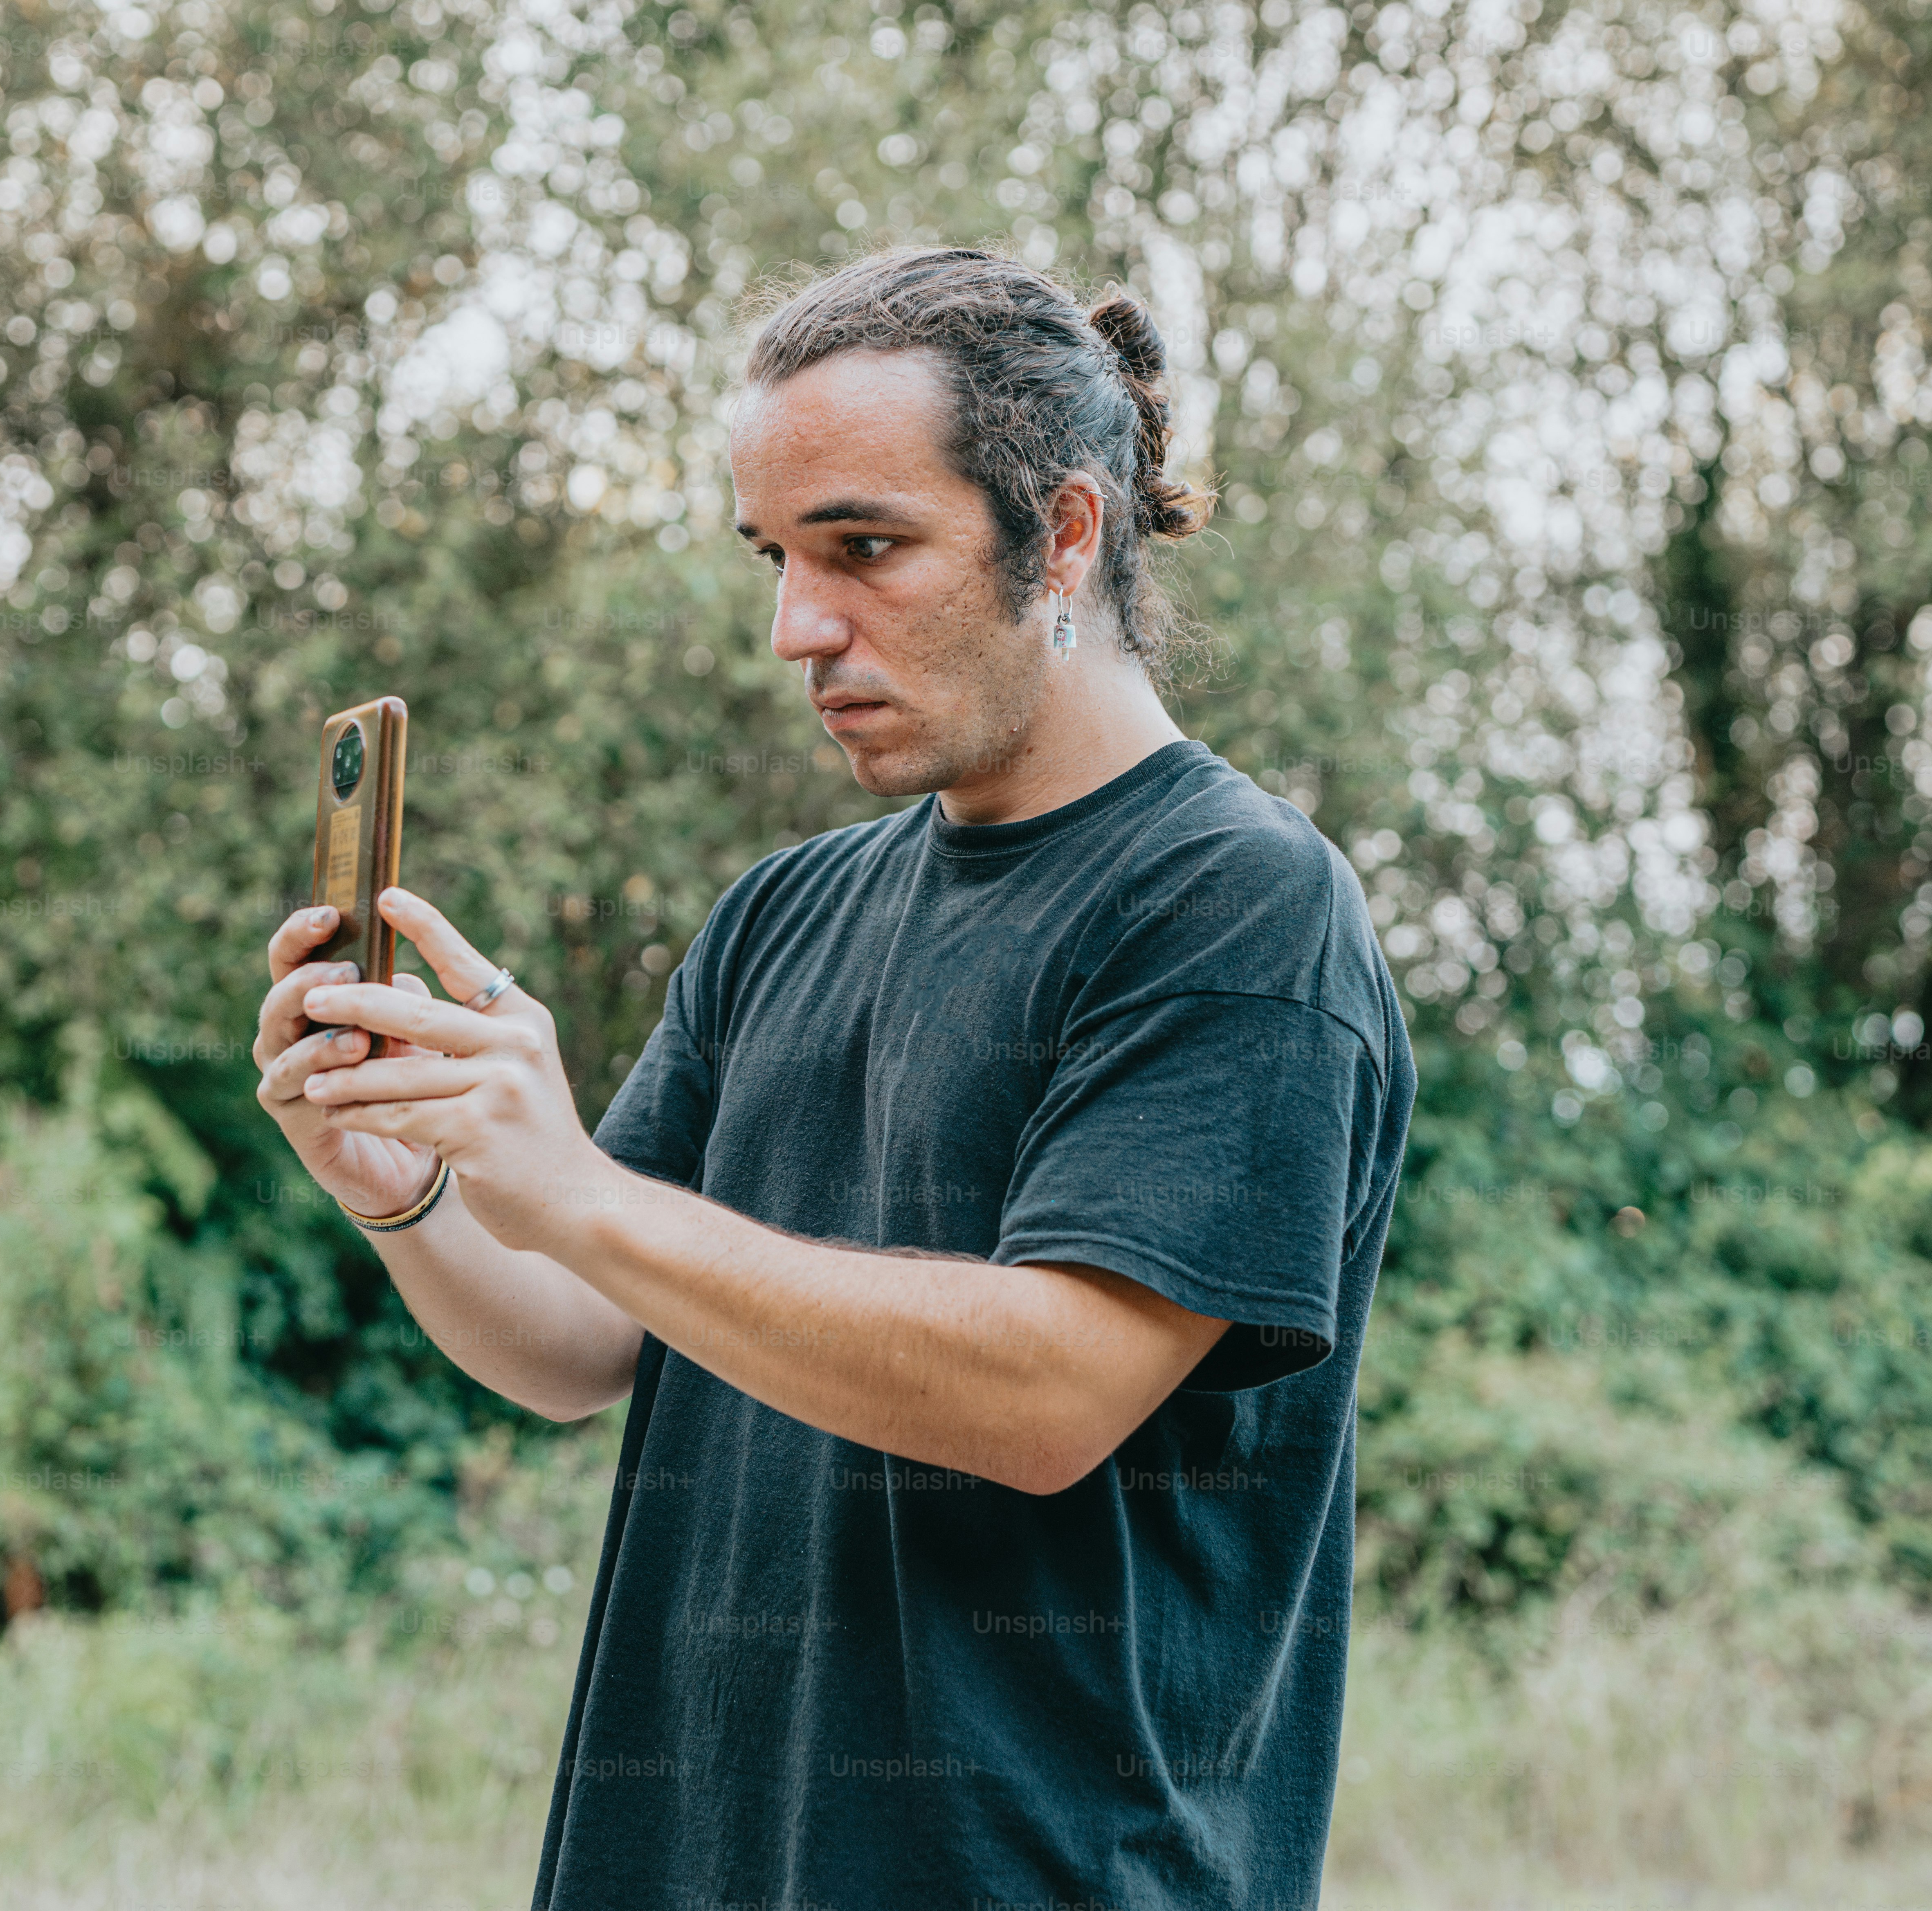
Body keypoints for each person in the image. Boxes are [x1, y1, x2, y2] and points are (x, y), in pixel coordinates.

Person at [252, 245, 1415, 1911]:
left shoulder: (1234, 903)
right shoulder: (783, 912)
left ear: (1063, 534)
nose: (798, 627)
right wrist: (416, 1191)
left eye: (865, 548)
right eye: (776, 558)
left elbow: (1046, 1397)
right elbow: (581, 1342)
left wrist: (578, 1192)